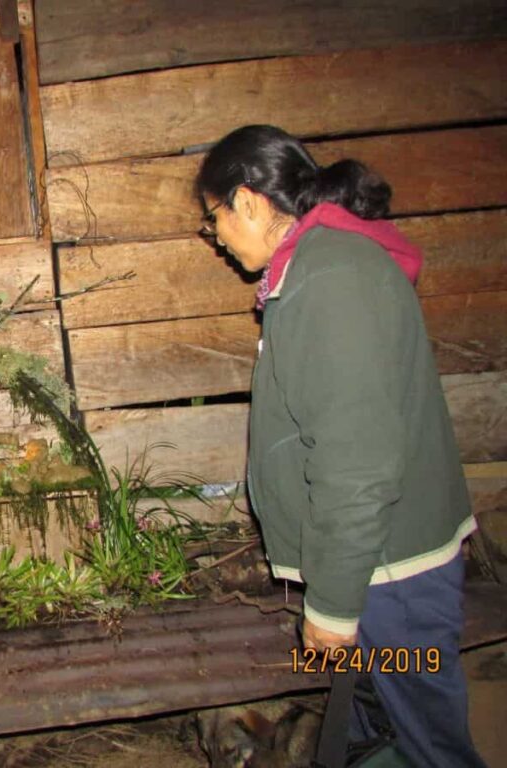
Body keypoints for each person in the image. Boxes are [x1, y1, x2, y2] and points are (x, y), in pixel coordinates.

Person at [195, 125, 484, 768]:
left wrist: (332, 604)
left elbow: (356, 460)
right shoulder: (316, 268)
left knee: (431, 745)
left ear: (247, 201)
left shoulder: (331, 278)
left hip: (387, 573)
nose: (214, 235)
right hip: (376, 566)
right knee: (384, 730)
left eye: (212, 217)